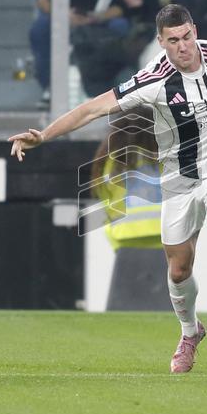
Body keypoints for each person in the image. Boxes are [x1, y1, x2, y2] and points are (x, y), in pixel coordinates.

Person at [10, 3, 207, 371]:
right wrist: (43, 135)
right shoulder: (152, 79)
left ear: (194, 30)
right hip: (180, 179)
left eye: (188, 36)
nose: (184, 46)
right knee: (178, 270)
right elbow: (92, 108)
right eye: (174, 40)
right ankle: (190, 332)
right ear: (162, 42)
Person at [88, 108, 169, 310]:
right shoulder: (166, 157)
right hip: (166, 240)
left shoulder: (110, 161)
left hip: (124, 240)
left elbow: (105, 201)